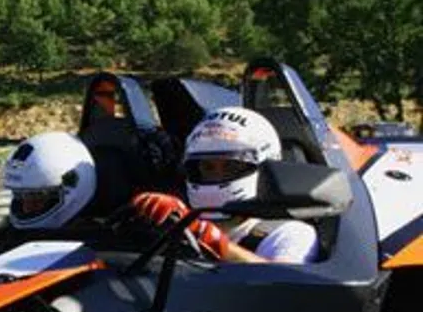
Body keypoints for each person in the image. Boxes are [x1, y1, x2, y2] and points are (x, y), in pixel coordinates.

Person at [132, 107, 319, 263]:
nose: (216, 175)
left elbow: (285, 289)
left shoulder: (289, 234)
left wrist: (211, 241)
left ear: (264, 166)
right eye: (207, 166)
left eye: (230, 166)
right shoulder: (173, 225)